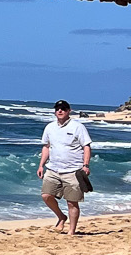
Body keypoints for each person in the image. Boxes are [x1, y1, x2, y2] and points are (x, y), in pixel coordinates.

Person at [38, 99, 92, 235]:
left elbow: (86, 146)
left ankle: (71, 231)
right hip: (53, 169)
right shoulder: (50, 127)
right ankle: (61, 217)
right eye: (57, 109)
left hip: (73, 170)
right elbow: (46, 147)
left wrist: (86, 165)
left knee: (72, 202)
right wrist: (41, 165)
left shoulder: (77, 127)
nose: (60, 111)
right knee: (46, 195)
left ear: (69, 111)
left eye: (63, 109)